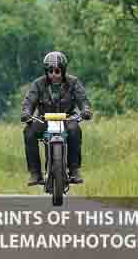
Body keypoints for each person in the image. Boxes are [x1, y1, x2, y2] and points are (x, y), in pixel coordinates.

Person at [20, 50, 92, 186]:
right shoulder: (38, 84)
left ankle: (74, 170)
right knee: (29, 132)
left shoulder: (73, 82)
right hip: (44, 120)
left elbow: (83, 100)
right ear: (46, 72)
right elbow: (29, 101)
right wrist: (26, 112)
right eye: (50, 71)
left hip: (67, 120)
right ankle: (35, 173)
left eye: (57, 71)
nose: (54, 74)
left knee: (75, 130)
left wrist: (86, 110)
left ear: (63, 71)